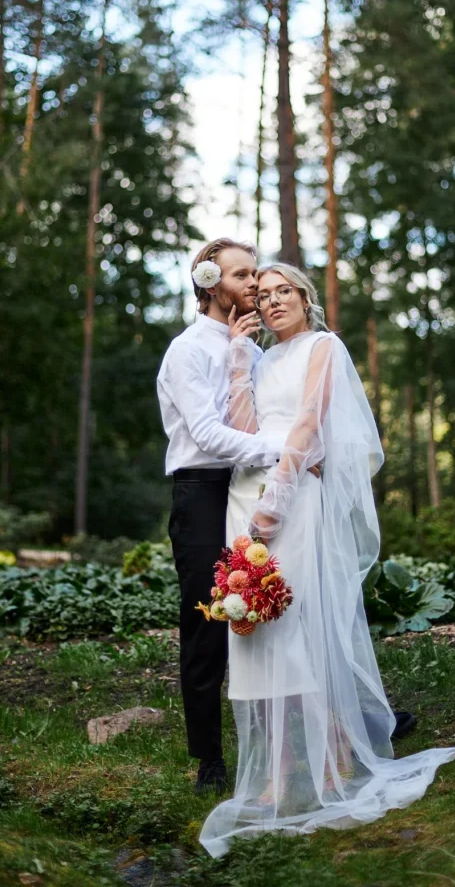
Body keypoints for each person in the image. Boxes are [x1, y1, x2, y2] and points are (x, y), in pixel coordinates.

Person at [199, 263, 455, 858]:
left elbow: (310, 423)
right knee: (253, 626)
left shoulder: (324, 346)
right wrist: (237, 361)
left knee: (300, 620)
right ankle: (275, 767)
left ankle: (335, 750)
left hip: (292, 495)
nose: (272, 302)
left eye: (283, 292)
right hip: (246, 493)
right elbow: (246, 429)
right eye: (263, 296)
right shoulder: (260, 358)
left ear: (305, 297)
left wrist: (277, 500)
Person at [157, 239, 288, 794]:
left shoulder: (253, 350)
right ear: (211, 284)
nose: (255, 283)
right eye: (242, 275)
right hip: (203, 494)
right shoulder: (186, 350)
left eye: (256, 272)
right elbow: (209, 434)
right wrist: (279, 451)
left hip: (252, 489)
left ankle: (337, 723)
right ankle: (209, 758)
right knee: (207, 623)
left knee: (281, 601)